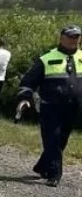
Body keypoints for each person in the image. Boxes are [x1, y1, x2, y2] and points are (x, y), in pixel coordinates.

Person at [16, 24, 81, 188]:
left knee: (61, 140)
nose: (74, 40)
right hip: (50, 106)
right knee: (52, 139)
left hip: (73, 107)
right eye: (70, 36)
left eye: (77, 36)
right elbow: (28, 81)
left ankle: (42, 166)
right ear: (62, 38)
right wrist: (24, 98)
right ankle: (54, 174)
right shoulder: (46, 58)